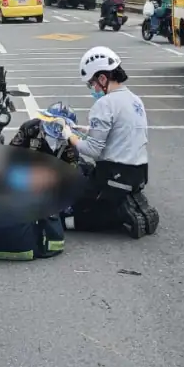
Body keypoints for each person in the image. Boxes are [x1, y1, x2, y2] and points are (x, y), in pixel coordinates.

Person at [65, 46, 154, 237]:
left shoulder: (104, 104)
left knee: (73, 204)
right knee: (86, 172)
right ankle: (128, 199)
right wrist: (85, 130)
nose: (93, 89)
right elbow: (122, 131)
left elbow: (93, 150)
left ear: (103, 79)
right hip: (138, 172)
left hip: (114, 174)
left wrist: (68, 136)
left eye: (92, 84)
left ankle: (119, 213)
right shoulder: (134, 99)